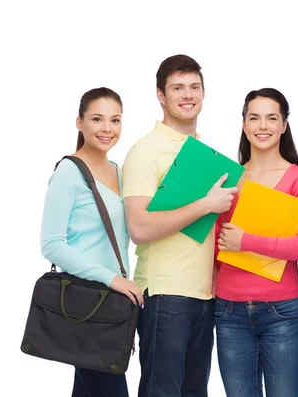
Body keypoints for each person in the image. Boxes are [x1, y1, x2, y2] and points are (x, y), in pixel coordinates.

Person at [122, 54, 237, 397]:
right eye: (177, 88)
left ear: (203, 93)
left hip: (204, 296)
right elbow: (139, 227)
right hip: (166, 295)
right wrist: (205, 205)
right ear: (161, 95)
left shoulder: (204, 152)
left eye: (194, 87)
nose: (188, 95)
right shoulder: (146, 150)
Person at [214, 88, 298, 397]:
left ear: (284, 125)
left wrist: (246, 241)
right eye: (254, 118)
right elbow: (217, 244)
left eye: (272, 118)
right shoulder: (228, 179)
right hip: (229, 311)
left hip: (283, 312)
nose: (263, 126)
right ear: (244, 124)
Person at [40, 87, 144, 397]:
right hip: (87, 303)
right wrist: (111, 278)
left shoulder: (117, 171)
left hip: (112, 307)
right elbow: (52, 244)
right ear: (79, 123)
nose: (107, 129)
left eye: (115, 120)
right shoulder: (68, 173)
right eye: (97, 119)